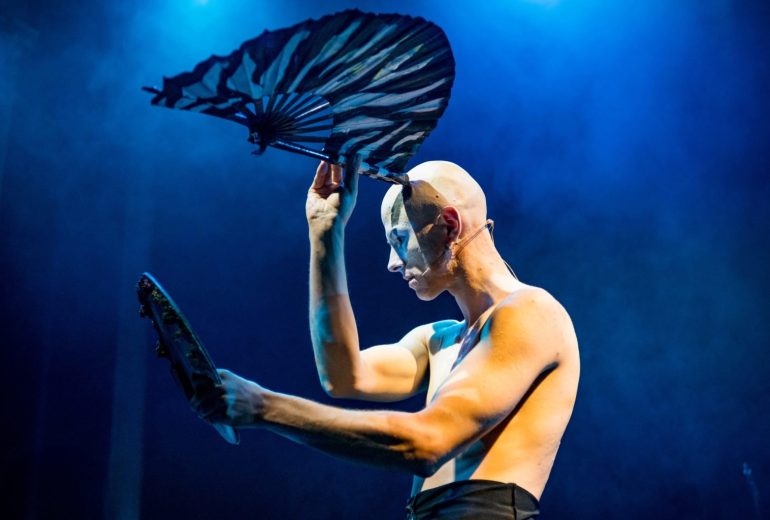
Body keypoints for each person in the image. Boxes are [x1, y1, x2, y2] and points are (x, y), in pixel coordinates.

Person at [193, 157, 580, 519]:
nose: (392, 262)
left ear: (449, 225)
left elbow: (428, 442)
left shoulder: (532, 313)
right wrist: (325, 234)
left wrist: (264, 407)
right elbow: (344, 376)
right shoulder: (438, 340)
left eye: (399, 240)